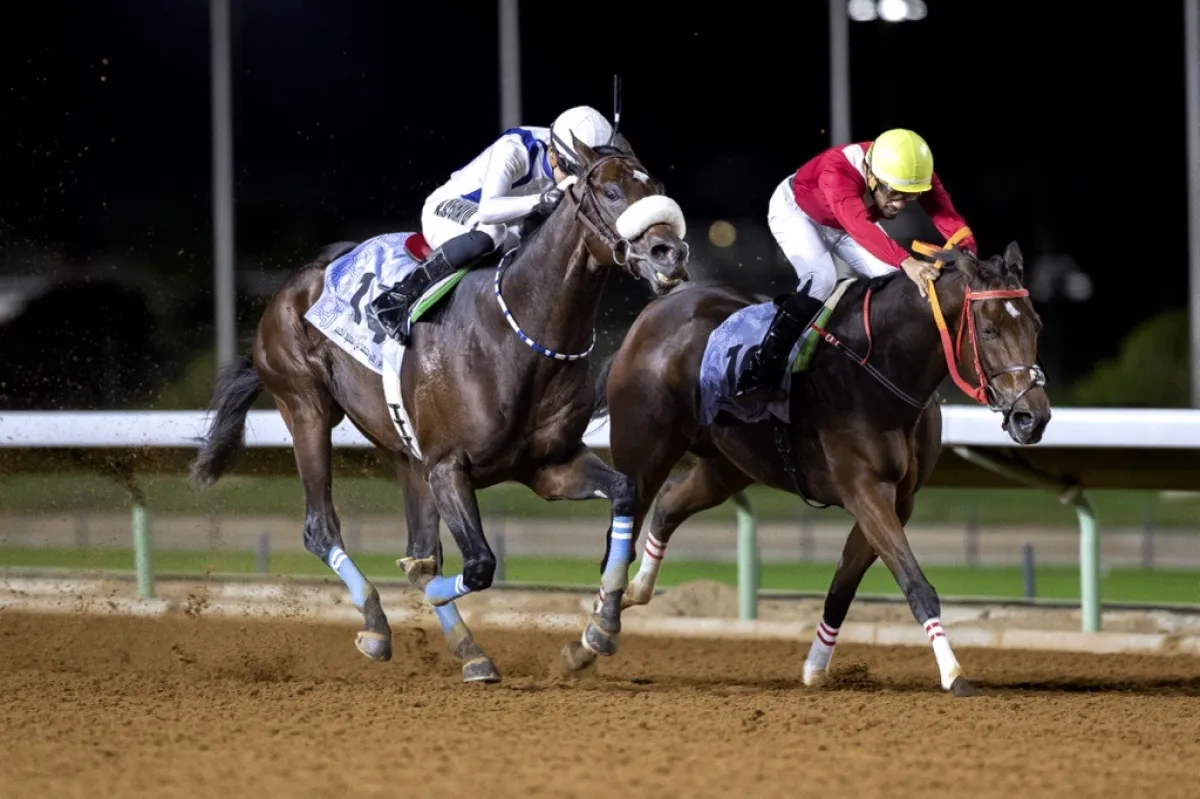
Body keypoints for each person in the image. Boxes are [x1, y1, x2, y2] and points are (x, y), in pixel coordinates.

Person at [734, 128, 978, 401]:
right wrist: (907, 261)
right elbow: (859, 226)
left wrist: (969, 256)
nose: (899, 204)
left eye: (909, 196)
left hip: (845, 222)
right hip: (797, 213)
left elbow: (946, 216)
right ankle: (759, 370)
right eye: (894, 194)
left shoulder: (912, 171)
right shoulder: (836, 171)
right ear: (872, 174)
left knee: (899, 284)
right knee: (822, 279)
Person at [370, 106, 615, 344]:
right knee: (491, 232)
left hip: (506, 222)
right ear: (553, 155)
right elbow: (488, 211)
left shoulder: (564, 151)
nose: (576, 179)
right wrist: (540, 200)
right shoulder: (514, 150)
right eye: (572, 170)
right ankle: (397, 298)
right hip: (449, 208)